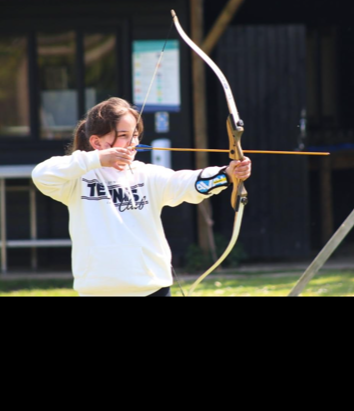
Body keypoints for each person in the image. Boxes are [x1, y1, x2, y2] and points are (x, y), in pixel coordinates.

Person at [32, 97, 252, 297]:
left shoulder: (146, 175)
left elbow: (187, 184)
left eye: (135, 135)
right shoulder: (77, 179)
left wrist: (227, 175)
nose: (133, 143)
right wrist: (96, 159)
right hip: (97, 289)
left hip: (151, 287)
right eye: (124, 136)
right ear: (97, 143)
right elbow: (41, 175)